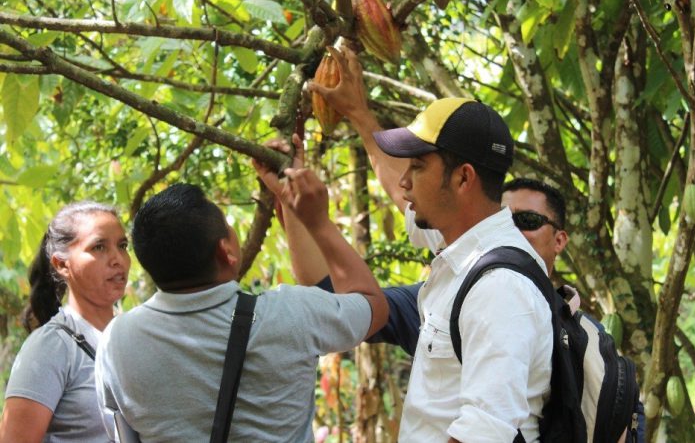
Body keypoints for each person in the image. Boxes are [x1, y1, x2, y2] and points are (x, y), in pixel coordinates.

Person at [310, 45, 551, 442]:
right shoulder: (464, 241)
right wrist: (358, 113)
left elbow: (483, 433)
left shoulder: (500, 288)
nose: (405, 183)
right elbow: (395, 185)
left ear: (463, 179)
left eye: (419, 166)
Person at [94, 143, 389, 442]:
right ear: (226, 251)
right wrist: (317, 221)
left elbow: (123, 435)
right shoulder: (290, 314)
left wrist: (288, 202)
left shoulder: (115, 340)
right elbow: (373, 305)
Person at [0, 202, 130, 443]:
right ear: (62, 265)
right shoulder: (50, 347)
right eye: (99, 247)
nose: (117, 259)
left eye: (122, 246)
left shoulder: (134, 335)